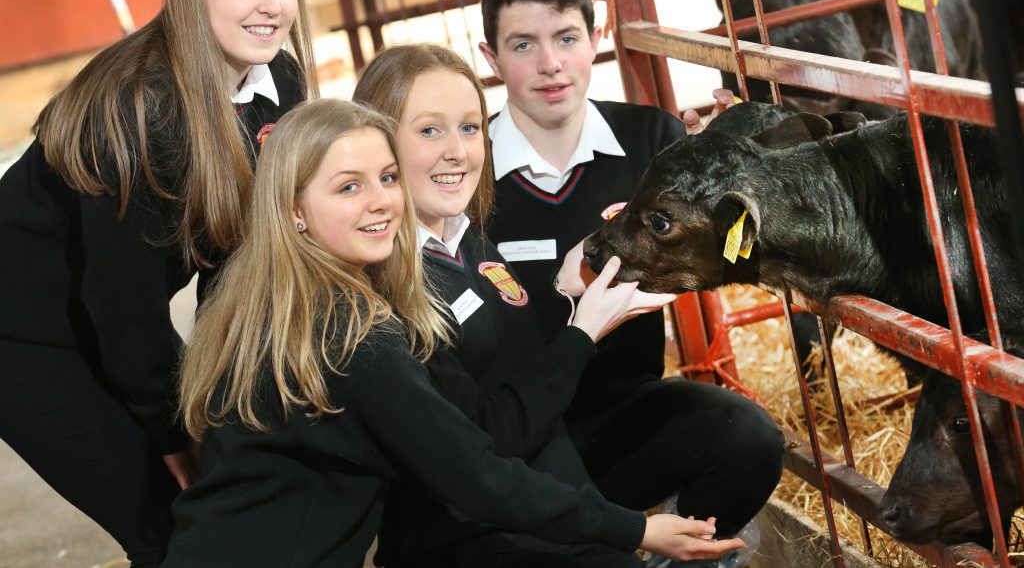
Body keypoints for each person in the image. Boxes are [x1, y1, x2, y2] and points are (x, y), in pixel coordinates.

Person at [163, 98, 744, 567]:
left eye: (387, 178)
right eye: (348, 187)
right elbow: (477, 475)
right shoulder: (350, 334)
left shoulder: (268, 299)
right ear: (294, 210)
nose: (381, 202)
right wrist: (636, 529)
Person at [0, 0, 315, 566]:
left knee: (226, 491)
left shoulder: (278, 82)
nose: (271, 3)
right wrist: (174, 434)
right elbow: (125, 311)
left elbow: (236, 260)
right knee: (167, 524)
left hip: (106, 313)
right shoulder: (143, 112)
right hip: (20, 330)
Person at [478, 0, 785, 563]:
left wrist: (739, 168)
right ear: (491, 59)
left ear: (596, 39)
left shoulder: (653, 140)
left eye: (567, 38)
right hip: (512, 436)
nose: (550, 63)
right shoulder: (469, 169)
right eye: (523, 45)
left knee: (747, 438)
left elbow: (736, 245)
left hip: (622, 410)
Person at [354, 43, 701, 568]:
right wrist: (584, 332)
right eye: (429, 130)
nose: (457, 151)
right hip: (469, 540)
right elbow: (489, 441)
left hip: (544, 515)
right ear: (379, 143)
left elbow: (516, 371)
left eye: (470, 127)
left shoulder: (466, 237)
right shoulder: (387, 292)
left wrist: (565, 294)